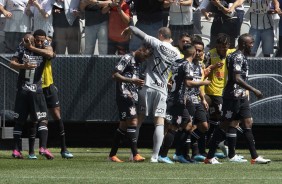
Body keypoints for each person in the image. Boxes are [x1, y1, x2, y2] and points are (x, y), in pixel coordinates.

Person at [204, 33, 271, 164]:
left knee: (247, 124)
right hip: (232, 96)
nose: (253, 45)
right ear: (244, 44)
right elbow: (236, 78)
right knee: (223, 125)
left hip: (241, 96)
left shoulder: (239, 56)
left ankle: (254, 157)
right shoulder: (237, 57)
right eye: (251, 43)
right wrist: (253, 90)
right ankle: (209, 156)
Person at [122, 26, 181, 163]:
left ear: (160, 35)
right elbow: (176, 71)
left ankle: (133, 153)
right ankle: (154, 156)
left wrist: (129, 28)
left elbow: (139, 33)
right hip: (162, 89)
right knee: (159, 122)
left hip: (147, 85)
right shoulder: (177, 53)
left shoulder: (157, 43)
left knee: (139, 120)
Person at [10, 29, 54, 159]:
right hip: (32, 90)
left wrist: (30, 48)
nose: (40, 42)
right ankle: (39, 148)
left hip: (26, 90)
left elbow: (50, 53)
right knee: (41, 119)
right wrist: (24, 66)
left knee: (23, 120)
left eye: (42, 40)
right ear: (33, 39)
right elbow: (11, 63)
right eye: (38, 40)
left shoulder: (27, 47)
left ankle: (22, 150)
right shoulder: (26, 48)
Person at [108, 43, 153, 162]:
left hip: (132, 96)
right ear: (141, 50)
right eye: (145, 56)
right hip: (124, 95)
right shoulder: (127, 58)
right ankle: (135, 154)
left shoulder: (138, 63)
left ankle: (112, 155)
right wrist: (132, 80)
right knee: (133, 120)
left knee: (123, 126)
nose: (144, 59)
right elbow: (115, 74)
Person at [204, 33, 235, 157]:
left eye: (224, 46)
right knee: (218, 120)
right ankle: (215, 145)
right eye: (220, 46)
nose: (222, 49)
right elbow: (202, 72)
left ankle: (215, 145)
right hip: (212, 92)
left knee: (219, 120)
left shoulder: (232, 53)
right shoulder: (210, 54)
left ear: (228, 45)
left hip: (224, 92)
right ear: (216, 45)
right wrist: (212, 67)